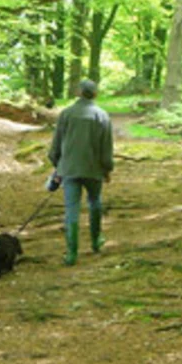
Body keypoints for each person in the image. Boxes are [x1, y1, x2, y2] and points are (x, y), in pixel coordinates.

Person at [47, 78, 114, 266]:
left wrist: (57, 166)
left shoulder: (66, 114)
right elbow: (106, 147)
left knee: (71, 210)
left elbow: (56, 144)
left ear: (78, 92)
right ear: (95, 94)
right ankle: (95, 241)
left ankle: (71, 253)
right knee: (94, 202)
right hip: (94, 170)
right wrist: (107, 168)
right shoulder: (102, 116)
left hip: (69, 169)